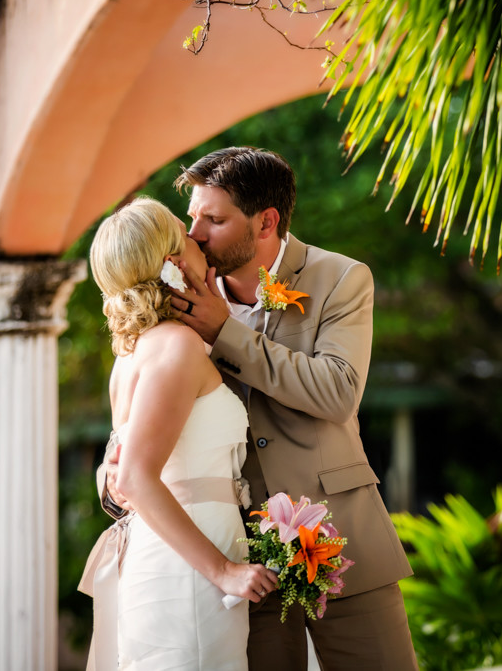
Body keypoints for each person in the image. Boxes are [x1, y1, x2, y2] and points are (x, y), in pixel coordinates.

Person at [103, 147, 418, 670]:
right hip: (239, 558)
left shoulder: (340, 279)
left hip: (340, 537)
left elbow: (338, 392)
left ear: (266, 222)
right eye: (194, 217)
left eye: (215, 219)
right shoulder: (177, 310)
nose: (196, 233)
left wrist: (226, 333)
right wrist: (114, 469)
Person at [82, 196, 278, 671]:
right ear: (172, 261)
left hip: (177, 552)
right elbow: (134, 478)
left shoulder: (135, 353)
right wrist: (225, 571)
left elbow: (116, 472)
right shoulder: (177, 348)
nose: (196, 239)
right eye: (183, 231)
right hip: (192, 571)